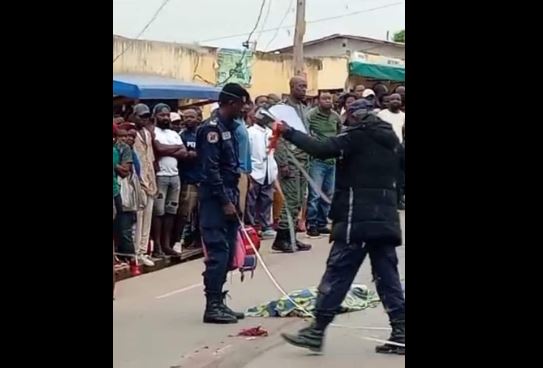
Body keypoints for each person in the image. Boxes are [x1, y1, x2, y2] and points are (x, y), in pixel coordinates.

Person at [278, 98, 405, 355]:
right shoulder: (393, 142)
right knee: (387, 277)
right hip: (386, 219)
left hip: (355, 221)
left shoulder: (356, 136)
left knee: (338, 274)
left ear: (355, 117)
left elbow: (320, 148)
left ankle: (316, 331)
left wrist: (287, 132)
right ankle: (401, 331)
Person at [197, 83, 250, 324]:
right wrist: (225, 201)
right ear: (232, 103)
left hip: (228, 194)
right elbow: (211, 170)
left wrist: (234, 200)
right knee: (218, 253)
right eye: (242, 103)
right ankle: (212, 306)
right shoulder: (211, 130)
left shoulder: (228, 128)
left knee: (228, 253)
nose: (245, 108)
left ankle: (219, 299)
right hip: (214, 200)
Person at [271, 76, 312, 253]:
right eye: (300, 86)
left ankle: (292, 236)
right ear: (292, 87)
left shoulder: (304, 108)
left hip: (304, 159)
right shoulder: (283, 109)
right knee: (291, 199)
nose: (304, 89)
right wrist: (282, 163)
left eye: (305, 86)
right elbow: (277, 137)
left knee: (299, 200)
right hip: (290, 160)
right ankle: (281, 238)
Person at [152, 103, 192, 257]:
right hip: (160, 176)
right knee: (158, 212)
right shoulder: (153, 132)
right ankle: (157, 246)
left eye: (167, 115)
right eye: (162, 115)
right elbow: (159, 149)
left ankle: (166, 244)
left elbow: (184, 153)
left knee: (171, 211)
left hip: (175, 177)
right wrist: (173, 149)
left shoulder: (174, 133)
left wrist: (167, 150)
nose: (165, 118)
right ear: (155, 116)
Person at [305, 92, 341, 238]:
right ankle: (311, 224)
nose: (328, 101)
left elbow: (339, 132)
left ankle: (321, 223)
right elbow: (306, 133)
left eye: (329, 99)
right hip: (317, 160)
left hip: (331, 160)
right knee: (314, 194)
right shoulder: (311, 115)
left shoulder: (335, 116)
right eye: (324, 98)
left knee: (328, 193)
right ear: (318, 101)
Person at [131, 104, 158, 267]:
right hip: (137, 180)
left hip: (150, 179)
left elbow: (151, 159)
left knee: (148, 217)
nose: (144, 119)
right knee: (138, 219)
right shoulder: (130, 133)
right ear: (134, 116)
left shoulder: (147, 133)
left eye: (146, 117)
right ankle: (135, 252)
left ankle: (142, 251)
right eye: (141, 116)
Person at [246, 106, 278, 239]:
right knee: (251, 201)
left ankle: (265, 226)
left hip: (268, 171)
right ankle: (251, 226)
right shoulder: (250, 132)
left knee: (267, 199)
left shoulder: (271, 132)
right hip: (254, 170)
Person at [173, 109, 201, 249]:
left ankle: (198, 240)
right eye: (186, 117)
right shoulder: (181, 135)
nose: (189, 119)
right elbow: (182, 154)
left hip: (203, 179)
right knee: (185, 213)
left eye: (192, 116)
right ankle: (178, 241)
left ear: (198, 118)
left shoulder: (202, 134)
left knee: (201, 213)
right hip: (188, 179)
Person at [113, 128, 139, 274]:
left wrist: (114, 165)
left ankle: (132, 261)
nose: (123, 139)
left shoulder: (122, 149)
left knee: (124, 229)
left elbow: (125, 171)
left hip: (121, 192)